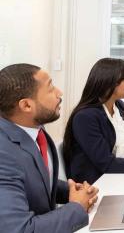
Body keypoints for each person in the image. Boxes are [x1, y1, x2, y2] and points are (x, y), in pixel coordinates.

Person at [0, 64, 99, 233]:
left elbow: (35, 183)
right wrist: (77, 206)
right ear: (26, 106)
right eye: (51, 88)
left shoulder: (34, 128)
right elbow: (19, 229)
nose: (59, 93)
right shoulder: (3, 155)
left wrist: (72, 191)